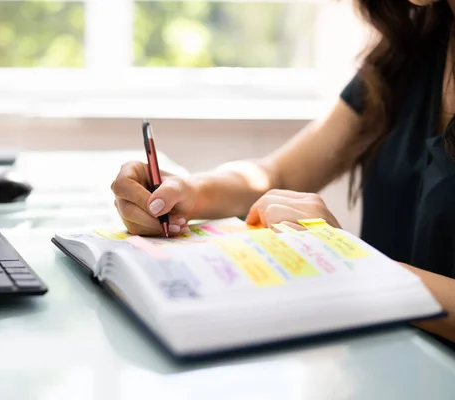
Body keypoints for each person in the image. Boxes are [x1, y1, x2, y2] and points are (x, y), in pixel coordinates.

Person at [110, 0, 455, 345]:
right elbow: (277, 175)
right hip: (385, 355)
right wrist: (188, 190)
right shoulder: (412, 49)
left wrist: (352, 259)